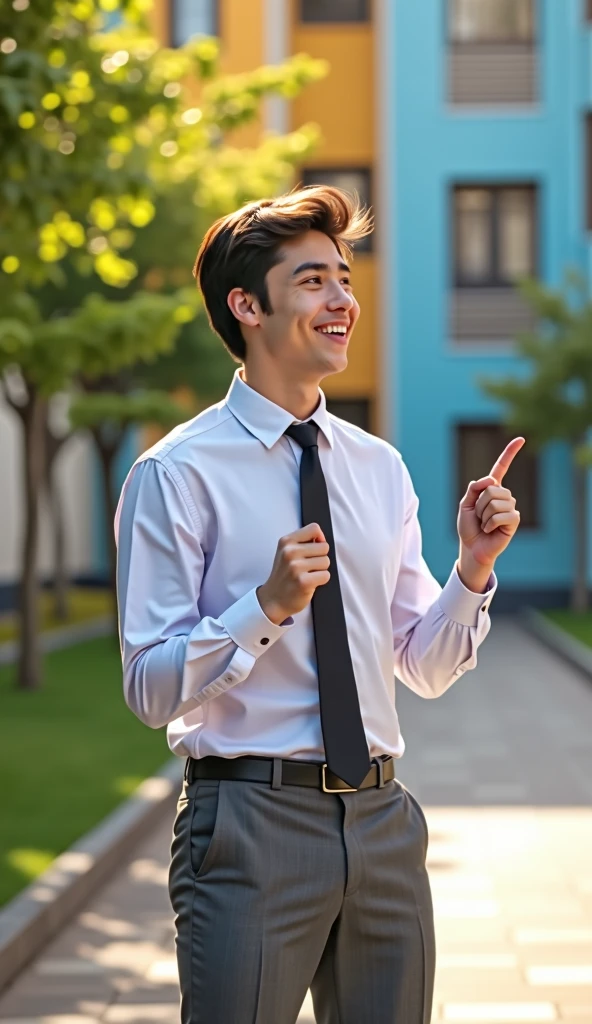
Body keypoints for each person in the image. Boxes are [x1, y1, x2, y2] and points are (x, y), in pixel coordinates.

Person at [115, 185, 522, 1024]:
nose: (343, 300)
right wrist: (263, 606)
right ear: (247, 306)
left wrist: (472, 572)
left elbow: (423, 666)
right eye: (312, 281)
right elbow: (150, 687)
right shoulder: (176, 474)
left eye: (344, 277)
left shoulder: (379, 469)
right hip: (247, 826)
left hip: (383, 822)